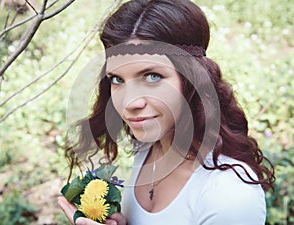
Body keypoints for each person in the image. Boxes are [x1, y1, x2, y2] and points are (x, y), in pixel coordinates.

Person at [58, 0, 275, 225]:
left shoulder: (228, 195)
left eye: (152, 76)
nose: (129, 102)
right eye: (117, 79)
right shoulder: (147, 147)